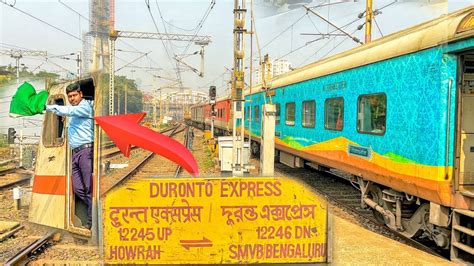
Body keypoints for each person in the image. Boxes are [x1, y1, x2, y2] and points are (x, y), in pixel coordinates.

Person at [45, 83, 94, 230]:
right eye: (70, 97)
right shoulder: (75, 111)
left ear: (81, 94)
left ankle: (91, 224)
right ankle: (95, 210)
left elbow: (68, 111)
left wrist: (47, 107)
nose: (72, 98)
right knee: (78, 188)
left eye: (74, 95)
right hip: (75, 153)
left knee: (89, 188)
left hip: (86, 151)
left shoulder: (84, 107)